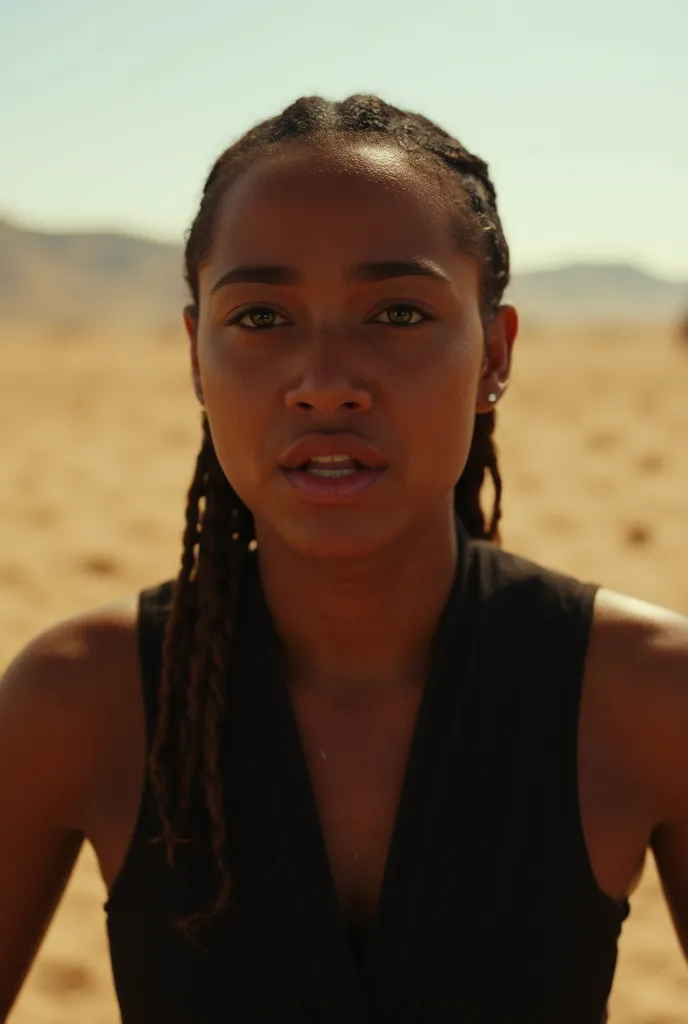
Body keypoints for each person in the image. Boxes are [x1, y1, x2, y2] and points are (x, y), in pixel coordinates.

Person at [0, 94, 687, 1024]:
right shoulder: (80, 701)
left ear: (494, 354)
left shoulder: (646, 695)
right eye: (260, 319)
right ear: (196, 358)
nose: (326, 384)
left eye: (398, 312)